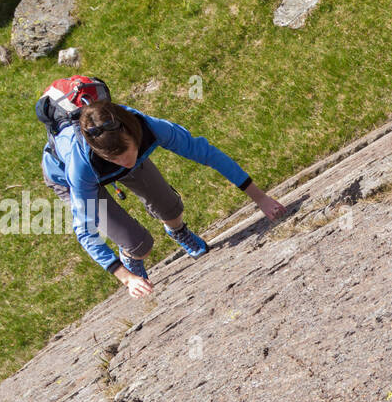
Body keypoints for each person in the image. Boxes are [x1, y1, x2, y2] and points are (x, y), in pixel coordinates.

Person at [41, 100, 285, 297]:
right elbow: (84, 229)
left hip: (114, 157)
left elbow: (206, 153)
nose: (125, 162)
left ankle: (178, 232)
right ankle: (131, 256)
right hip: (68, 180)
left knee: (170, 207)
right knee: (139, 245)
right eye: (114, 159)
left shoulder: (149, 127)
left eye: (127, 152)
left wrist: (260, 198)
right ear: (100, 153)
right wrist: (126, 277)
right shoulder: (81, 167)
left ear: (131, 132)